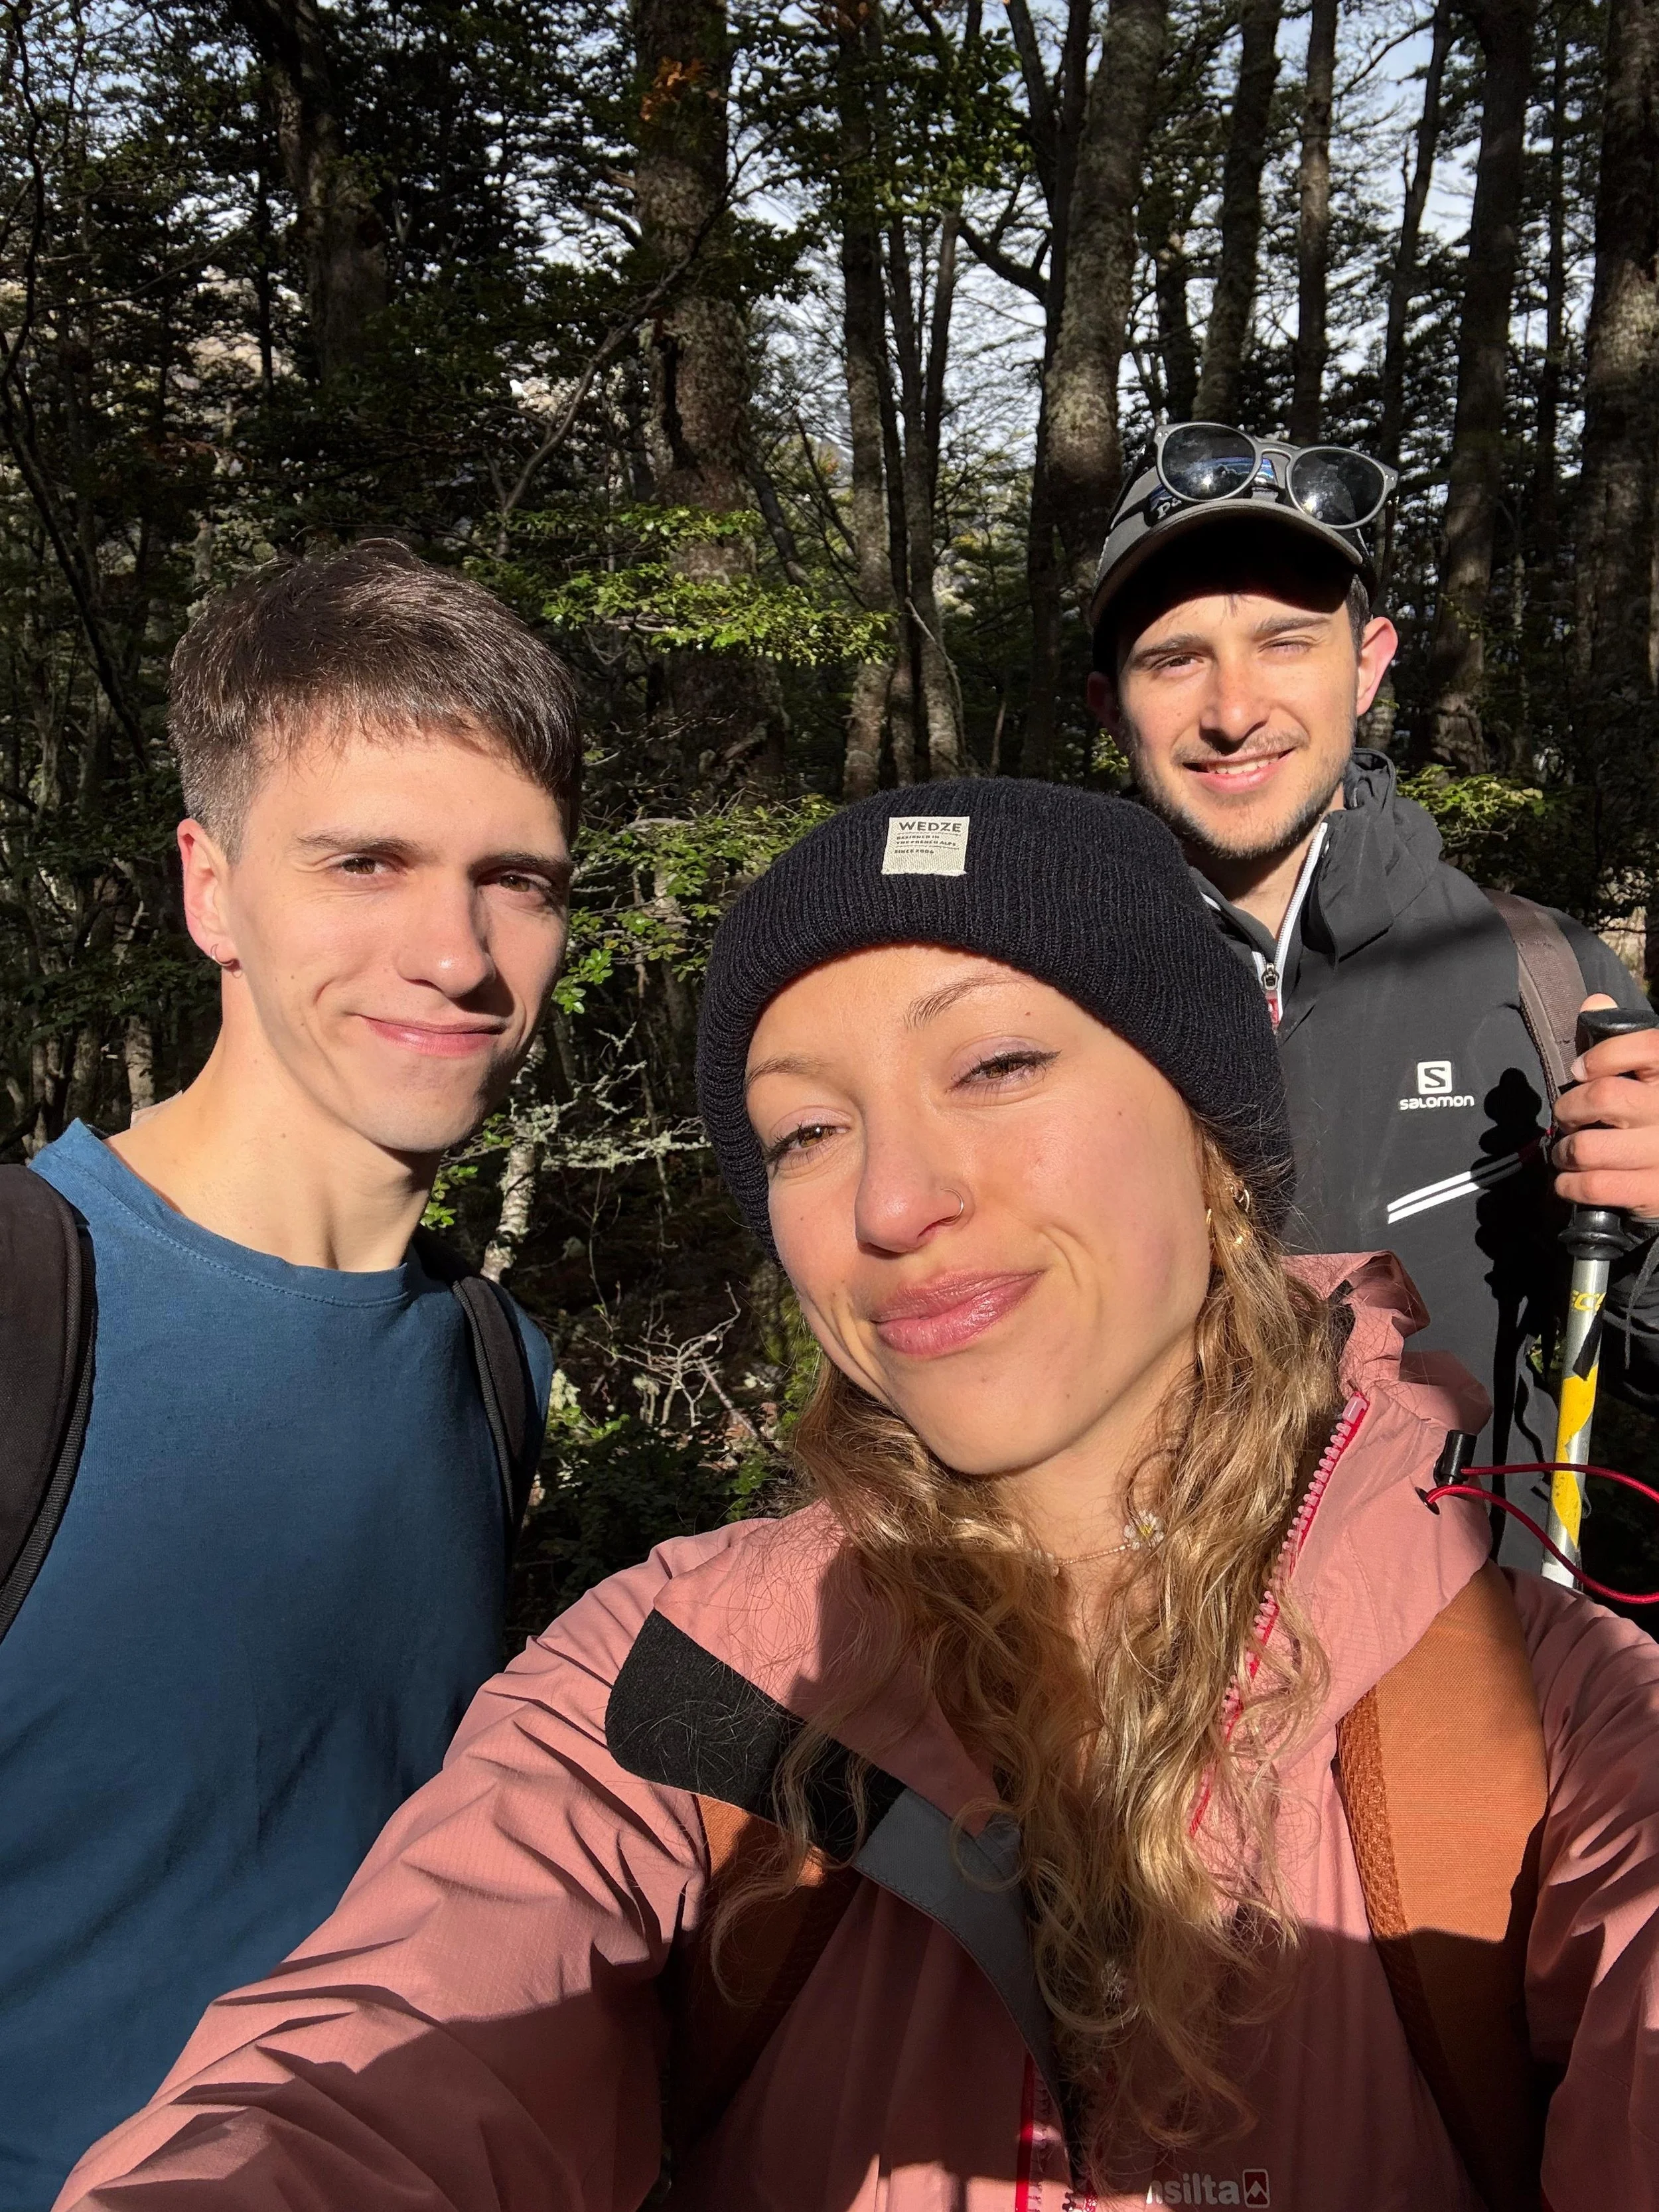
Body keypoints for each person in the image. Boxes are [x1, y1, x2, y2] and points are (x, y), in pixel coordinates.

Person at [54, 784, 1659, 2211]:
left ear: (1211, 1135)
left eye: (1000, 1061)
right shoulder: (691, 1676)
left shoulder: (1540, 1714)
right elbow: (388, 2057)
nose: (891, 1201)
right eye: (806, 1132)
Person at [0, 545, 573, 2209]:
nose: (455, 953)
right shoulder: (34, 1305)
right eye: (365, 862)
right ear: (211, 887)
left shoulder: (490, 1361)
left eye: (513, 878)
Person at [1086, 423, 1659, 1564]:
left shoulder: (1543, 976)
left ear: (1370, 663)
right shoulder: (1046, 995)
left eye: (1286, 646)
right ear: (1113, 707)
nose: (1234, 710)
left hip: (1470, 1683)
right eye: (1176, 658)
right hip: (1120, 1691)